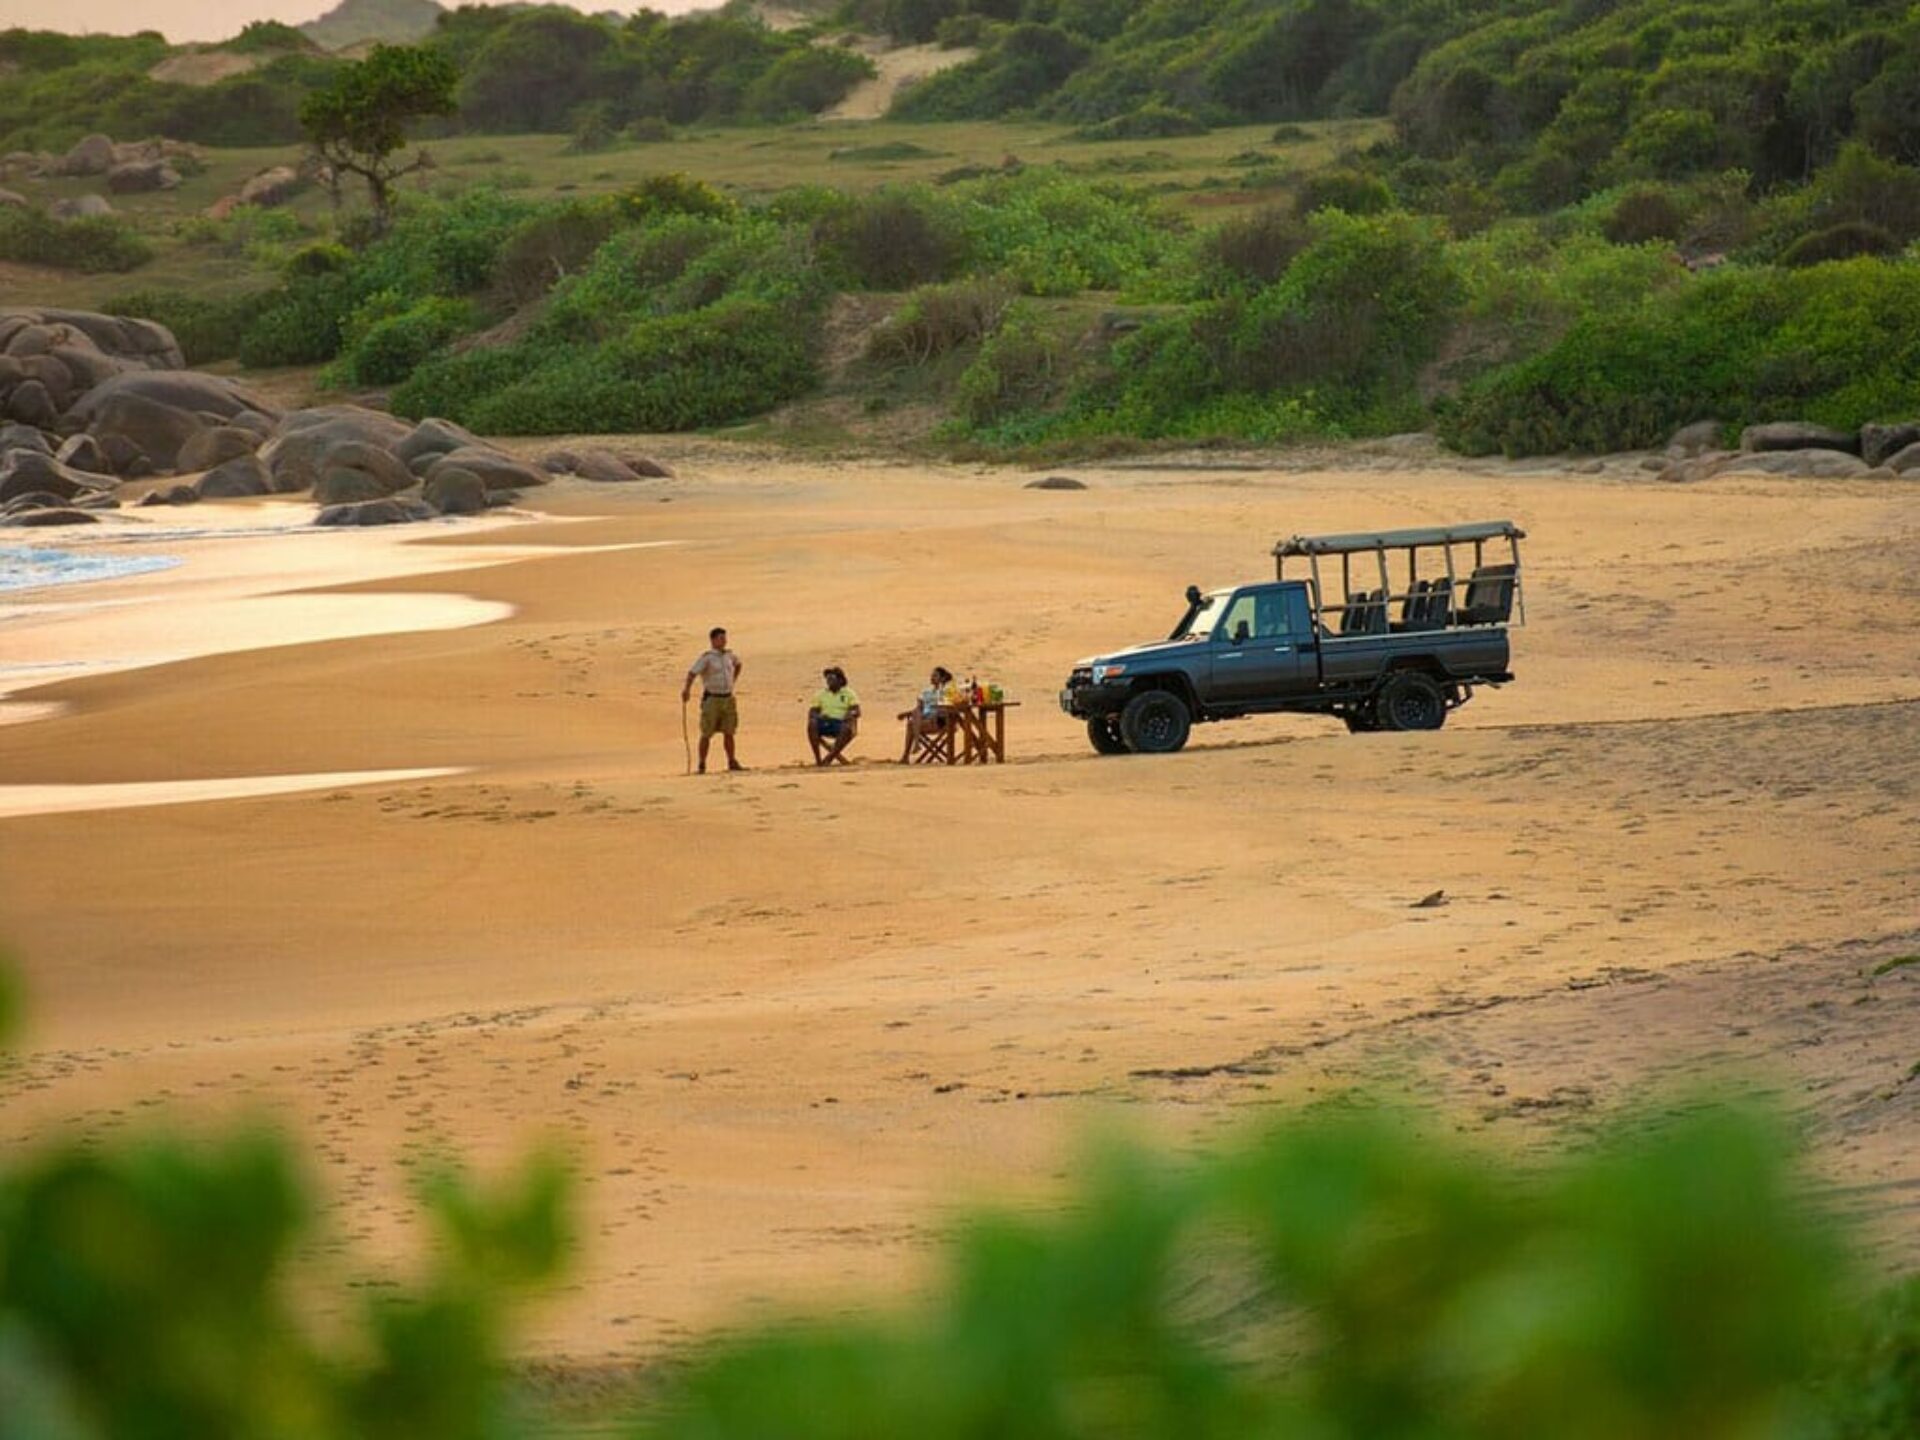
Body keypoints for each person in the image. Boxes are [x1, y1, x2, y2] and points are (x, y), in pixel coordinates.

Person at [681, 626, 743, 774]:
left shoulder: (729, 656)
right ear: (713, 640)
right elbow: (692, 673)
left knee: (729, 731)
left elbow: (738, 664)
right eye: (721, 638)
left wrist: (733, 680)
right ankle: (702, 764)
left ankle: (732, 761)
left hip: (727, 698)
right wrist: (686, 690)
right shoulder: (707, 657)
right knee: (706, 732)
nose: (724, 641)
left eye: (724, 638)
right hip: (712, 698)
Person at [899, 665, 956, 762]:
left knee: (911, 724)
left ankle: (908, 753)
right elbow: (919, 708)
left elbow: (950, 706)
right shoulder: (926, 692)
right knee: (915, 713)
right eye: (932, 676)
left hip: (939, 721)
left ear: (942, 678)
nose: (932, 678)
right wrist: (905, 714)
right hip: (924, 719)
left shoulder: (946, 691)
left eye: (935, 676)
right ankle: (915, 744)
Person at [808, 666, 862, 766]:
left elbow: (857, 711)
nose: (829, 681)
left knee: (846, 727)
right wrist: (818, 716)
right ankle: (818, 760)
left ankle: (829, 757)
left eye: (832, 679)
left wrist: (850, 714)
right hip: (825, 722)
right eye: (827, 679)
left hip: (841, 723)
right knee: (812, 723)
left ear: (840, 680)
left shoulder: (849, 694)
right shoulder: (820, 694)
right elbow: (812, 712)